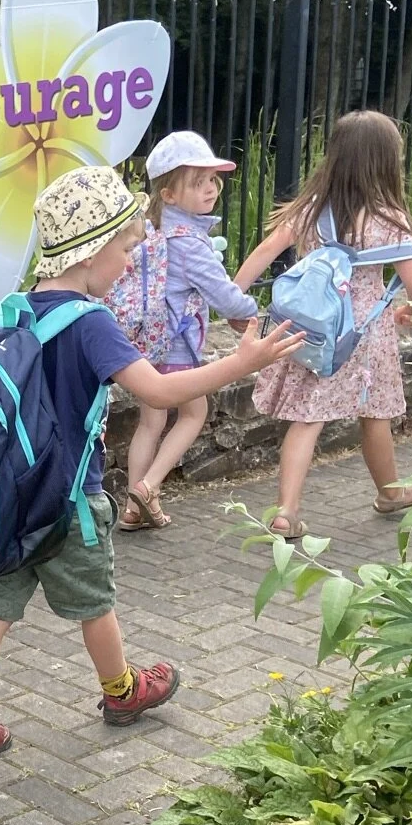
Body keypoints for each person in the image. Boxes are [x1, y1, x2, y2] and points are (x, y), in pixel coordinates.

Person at [0, 166, 305, 763]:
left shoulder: (14, 307)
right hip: (68, 499)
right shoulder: (90, 322)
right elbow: (159, 391)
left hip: (10, 494)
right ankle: (122, 691)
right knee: (95, 602)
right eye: (127, 249)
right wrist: (243, 363)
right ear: (91, 252)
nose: (130, 262)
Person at [232, 109, 412, 540]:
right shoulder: (389, 219)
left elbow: (267, 249)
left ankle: (286, 511)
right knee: (375, 414)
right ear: (386, 161)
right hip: (364, 335)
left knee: (307, 418)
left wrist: (235, 298)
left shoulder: (312, 210)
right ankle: (391, 493)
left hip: (316, 329)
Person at [115, 131, 259, 531]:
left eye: (212, 179)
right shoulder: (190, 243)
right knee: (196, 413)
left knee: (150, 423)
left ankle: (133, 508)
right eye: (197, 182)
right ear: (169, 194)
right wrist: (250, 313)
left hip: (145, 345)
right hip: (175, 345)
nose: (210, 188)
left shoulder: (150, 230)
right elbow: (226, 297)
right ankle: (148, 486)